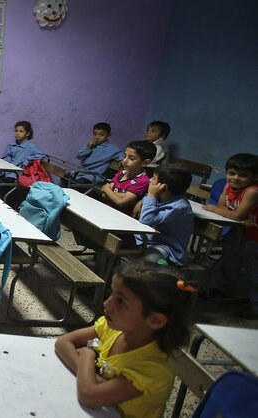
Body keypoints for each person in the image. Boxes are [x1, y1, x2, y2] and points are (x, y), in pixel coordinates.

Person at [55, 262, 194, 418]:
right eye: (111, 294)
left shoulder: (152, 368)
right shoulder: (114, 328)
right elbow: (63, 342)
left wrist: (87, 354)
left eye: (120, 301)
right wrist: (90, 377)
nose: (107, 303)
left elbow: (88, 395)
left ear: (155, 320)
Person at [202, 153, 258, 319]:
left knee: (253, 272)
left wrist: (220, 211)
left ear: (255, 177)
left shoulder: (252, 191)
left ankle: (255, 308)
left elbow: (234, 215)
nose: (235, 178)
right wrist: (229, 213)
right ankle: (225, 293)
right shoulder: (228, 186)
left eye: (243, 175)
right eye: (232, 173)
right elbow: (224, 206)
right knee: (229, 262)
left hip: (254, 237)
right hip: (238, 231)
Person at [132, 164, 194, 266]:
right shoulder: (162, 196)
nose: (150, 180)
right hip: (145, 239)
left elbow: (146, 219)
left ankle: (162, 267)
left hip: (165, 247)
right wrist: (144, 200)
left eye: (154, 178)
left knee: (148, 262)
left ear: (163, 187)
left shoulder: (179, 207)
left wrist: (151, 195)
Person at [100, 140, 156, 215]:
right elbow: (103, 195)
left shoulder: (143, 181)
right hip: (107, 210)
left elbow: (121, 202)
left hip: (122, 217)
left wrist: (106, 189)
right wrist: (121, 196)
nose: (125, 161)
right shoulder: (121, 173)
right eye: (125, 156)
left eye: (131, 158)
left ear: (145, 162)